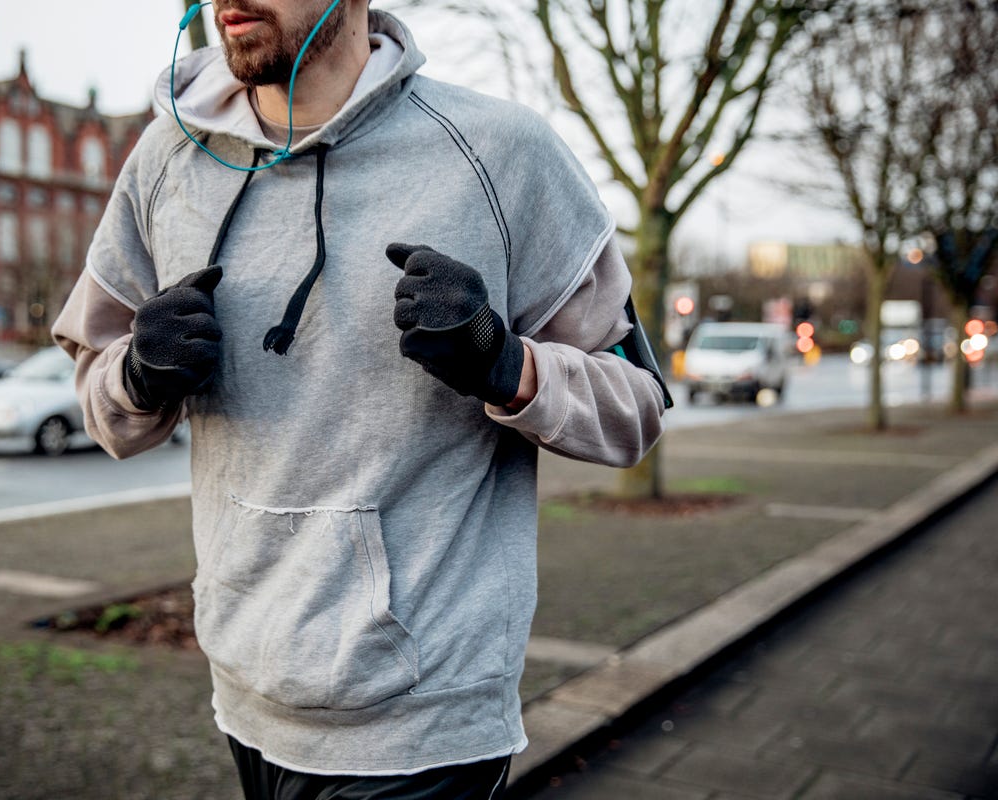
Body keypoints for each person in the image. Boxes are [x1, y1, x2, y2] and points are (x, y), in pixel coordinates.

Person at [52, 0, 668, 796]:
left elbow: (637, 408)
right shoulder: (167, 158)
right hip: (245, 692)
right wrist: (138, 374)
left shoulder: (500, 152)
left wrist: (504, 363)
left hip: (424, 716)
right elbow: (100, 401)